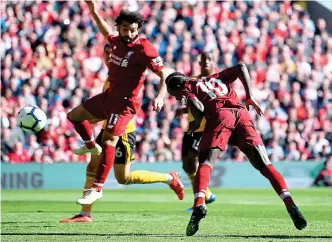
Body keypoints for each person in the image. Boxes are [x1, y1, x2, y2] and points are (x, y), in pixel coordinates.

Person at [165, 63, 307, 236]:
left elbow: (199, 107)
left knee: (205, 162)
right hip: (241, 114)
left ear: (179, 86)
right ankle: (290, 204)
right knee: (265, 164)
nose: (178, 99)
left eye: (175, 95)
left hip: (220, 116)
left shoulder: (187, 88)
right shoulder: (214, 77)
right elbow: (241, 66)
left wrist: (196, 120)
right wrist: (249, 96)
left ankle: (198, 205)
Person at [68, 0, 183, 206]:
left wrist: (160, 96)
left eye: (132, 30)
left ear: (137, 30)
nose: (129, 34)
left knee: (108, 147)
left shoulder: (144, 48)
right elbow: (105, 31)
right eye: (125, 29)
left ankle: (96, 192)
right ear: (118, 29)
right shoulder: (115, 45)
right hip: (109, 102)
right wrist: (93, 12)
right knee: (75, 116)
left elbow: (164, 72)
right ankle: (90, 147)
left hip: (124, 108)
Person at [61, 44, 184, 222]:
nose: (110, 57)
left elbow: (163, 73)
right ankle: (85, 213)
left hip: (123, 131)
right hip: (108, 128)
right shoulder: (110, 78)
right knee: (92, 166)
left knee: (123, 178)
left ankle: (168, 178)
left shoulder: (123, 77)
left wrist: (160, 97)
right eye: (107, 53)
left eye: (113, 54)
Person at [177, 52, 217, 211]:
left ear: (213, 62)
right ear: (199, 63)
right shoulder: (193, 81)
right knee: (187, 165)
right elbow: (193, 103)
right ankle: (206, 194)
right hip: (192, 128)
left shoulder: (217, 82)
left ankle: (200, 202)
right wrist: (184, 110)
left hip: (206, 129)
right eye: (203, 60)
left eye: (209, 59)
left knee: (197, 161)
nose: (206, 62)